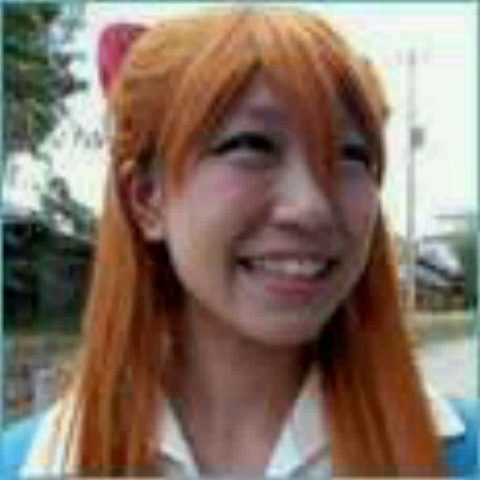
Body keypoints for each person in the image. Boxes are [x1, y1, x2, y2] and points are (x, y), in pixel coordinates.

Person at [2, 6, 478, 479]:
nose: (311, 207)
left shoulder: (457, 456)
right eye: (251, 145)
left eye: (352, 154)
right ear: (146, 198)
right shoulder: (29, 465)